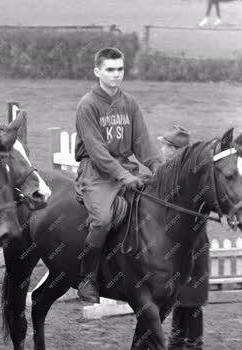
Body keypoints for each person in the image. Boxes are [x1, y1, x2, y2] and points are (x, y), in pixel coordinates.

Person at [74, 47, 162, 303]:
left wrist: (158, 167)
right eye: (110, 70)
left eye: (120, 69)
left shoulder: (129, 103)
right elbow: (97, 151)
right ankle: (87, 278)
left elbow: (143, 141)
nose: (116, 75)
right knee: (101, 220)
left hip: (126, 168)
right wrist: (123, 176)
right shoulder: (87, 105)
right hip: (96, 172)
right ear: (97, 71)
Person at [158, 125, 208, 350]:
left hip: (194, 241)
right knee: (180, 294)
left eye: (165, 146)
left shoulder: (190, 174)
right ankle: (176, 343)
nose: (162, 150)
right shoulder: (173, 170)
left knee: (192, 295)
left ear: (175, 149)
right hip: (180, 240)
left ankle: (194, 345)